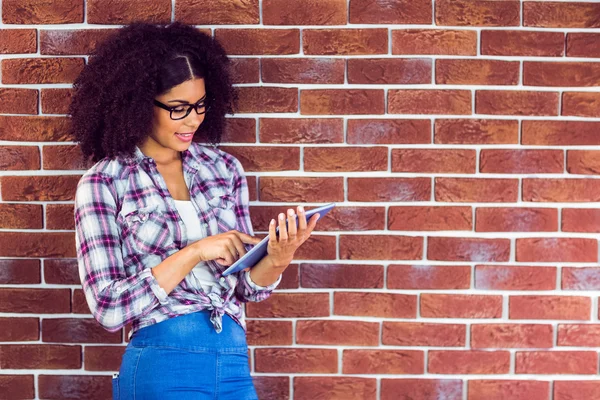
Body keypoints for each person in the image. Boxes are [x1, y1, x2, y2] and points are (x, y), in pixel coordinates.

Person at [71, 21, 319, 399]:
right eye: (178, 108)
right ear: (138, 103)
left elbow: (245, 287)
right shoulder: (105, 183)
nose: (193, 119)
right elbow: (108, 307)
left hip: (233, 363)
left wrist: (279, 256)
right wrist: (196, 251)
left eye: (201, 105)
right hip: (164, 363)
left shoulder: (224, 169)